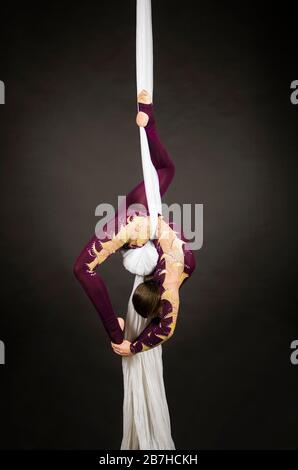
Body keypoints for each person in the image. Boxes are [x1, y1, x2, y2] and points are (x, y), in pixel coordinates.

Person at [73, 90, 196, 356]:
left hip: (147, 212)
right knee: (84, 267)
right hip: (140, 213)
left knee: (166, 171)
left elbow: (165, 325)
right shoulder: (135, 230)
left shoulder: (176, 272)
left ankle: (147, 115)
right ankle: (147, 118)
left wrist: (130, 341)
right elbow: (165, 328)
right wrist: (122, 340)